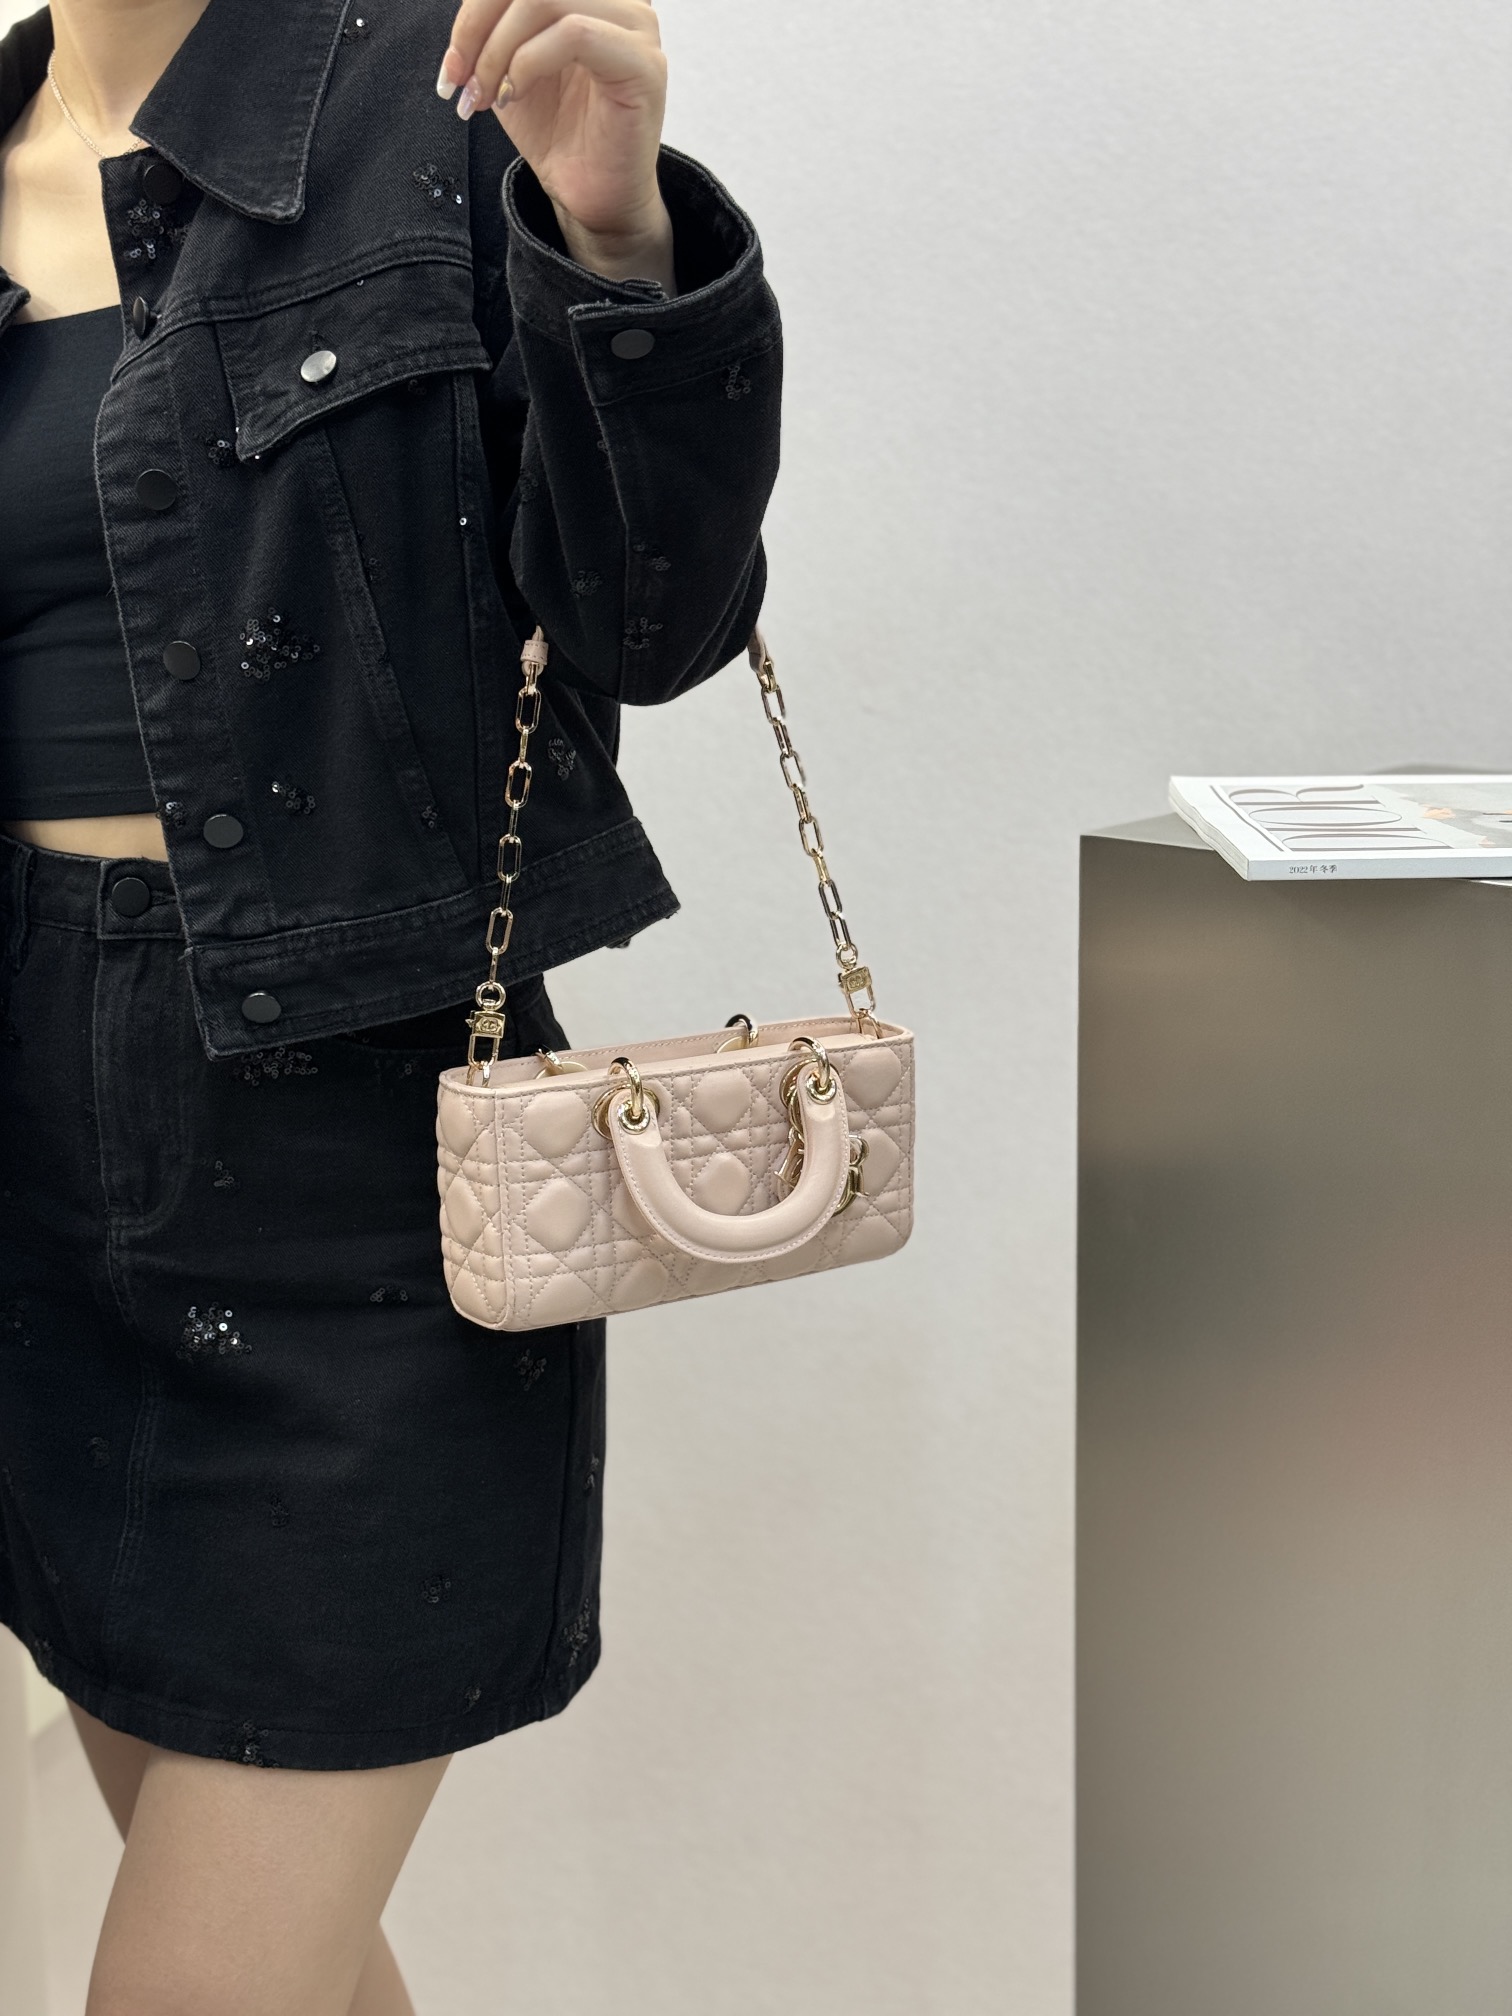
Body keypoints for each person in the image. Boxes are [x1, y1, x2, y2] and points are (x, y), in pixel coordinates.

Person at [0, 0, 780, 2006]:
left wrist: (614, 238)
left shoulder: (440, 96)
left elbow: (654, 622)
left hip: (358, 1172)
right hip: (31, 1172)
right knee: (306, 1969)